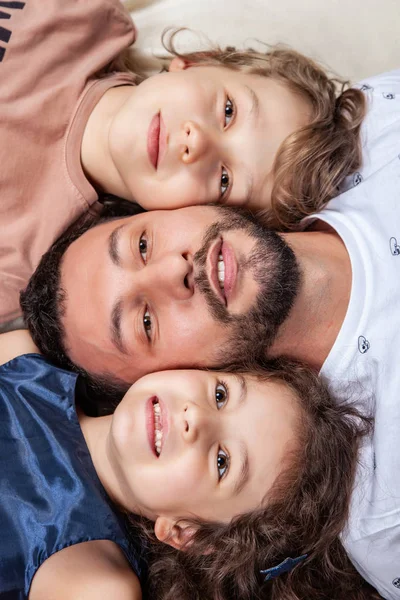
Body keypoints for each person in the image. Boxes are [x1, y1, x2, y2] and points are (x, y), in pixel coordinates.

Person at [22, 127, 400, 596]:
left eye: (142, 245)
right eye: (145, 323)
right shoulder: (380, 509)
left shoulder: (363, 131)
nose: (173, 270)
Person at [0, 0, 366, 329]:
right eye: (228, 111)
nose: (198, 142)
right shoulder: (83, 15)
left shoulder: (31, 260)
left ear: (199, 216)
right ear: (197, 62)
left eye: (224, 179)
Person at [0, 329, 375, 600]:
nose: (195, 418)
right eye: (220, 394)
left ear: (187, 532)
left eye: (222, 461)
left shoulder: (94, 581)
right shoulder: (23, 362)